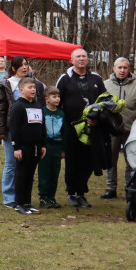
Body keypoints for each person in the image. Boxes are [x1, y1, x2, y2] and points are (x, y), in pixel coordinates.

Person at [56, 48, 106, 207]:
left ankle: (81, 193)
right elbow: (56, 101)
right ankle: (71, 193)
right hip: (71, 129)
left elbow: (104, 100)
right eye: (78, 56)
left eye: (84, 56)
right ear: (72, 60)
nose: (82, 59)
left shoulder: (96, 78)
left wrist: (98, 118)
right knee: (72, 161)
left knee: (89, 162)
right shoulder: (65, 79)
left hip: (91, 129)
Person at [101, 57, 136, 199]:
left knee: (131, 161)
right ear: (114, 69)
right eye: (119, 67)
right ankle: (111, 187)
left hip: (131, 130)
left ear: (129, 69)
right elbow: (100, 106)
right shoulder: (105, 85)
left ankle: (131, 186)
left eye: (125, 68)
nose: (122, 70)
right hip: (111, 130)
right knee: (111, 160)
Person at [0, 57, 34, 208]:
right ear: (13, 67)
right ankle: (9, 197)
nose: (24, 67)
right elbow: (0, 109)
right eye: (21, 65)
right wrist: (2, 129)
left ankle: (21, 195)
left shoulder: (32, 82)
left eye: (26, 64)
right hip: (11, 129)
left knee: (24, 163)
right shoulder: (5, 84)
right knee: (11, 163)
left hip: (28, 129)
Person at [9, 77, 46, 215]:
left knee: (30, 175)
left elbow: (42, 126)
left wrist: (43, 144)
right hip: (23, 147)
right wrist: (16, 147)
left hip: (36, 146)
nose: (33, 90)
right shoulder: (18, 106)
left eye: (34, 87)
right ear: (21, 90)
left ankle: (27, 203)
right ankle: (19, 203)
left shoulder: (37, 105)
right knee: (21, 174)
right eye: (29, 87)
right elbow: (14, 129)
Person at [37, 86, 65, 209]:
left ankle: (52, 196)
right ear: (47, 99)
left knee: (55, 172)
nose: (57, 99)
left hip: (57, 147)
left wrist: (63, 149)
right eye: (54, 96)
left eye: (58, 96)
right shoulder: (42, 112)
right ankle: (43, 197)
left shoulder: (61, 113)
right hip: (46, 146)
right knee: (45, 173)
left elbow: (65, 131)